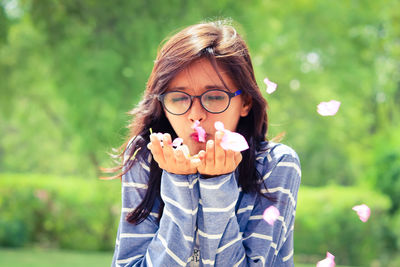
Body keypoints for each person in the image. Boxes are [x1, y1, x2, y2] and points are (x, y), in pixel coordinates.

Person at [108, 20, 301, 267]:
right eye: (178, 98)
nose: (195, 115)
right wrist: (178, 181)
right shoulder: (147, 156)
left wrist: (217, 185)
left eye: (214, 96)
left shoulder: (276, 164)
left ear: (245, 103)